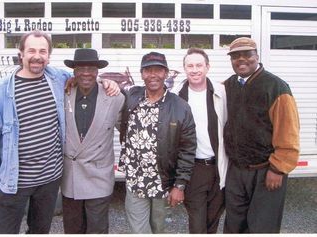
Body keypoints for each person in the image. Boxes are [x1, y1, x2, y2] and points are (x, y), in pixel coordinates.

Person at [0, 30, 119, 234]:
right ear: (21, 53)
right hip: (15, 179)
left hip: (49, 179)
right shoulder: (1, 91)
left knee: (40, 230)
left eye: (42, 51)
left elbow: (85, 76)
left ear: (48, 55)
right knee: (6, 230)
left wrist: (106, 82)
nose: (37, 56)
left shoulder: (56, 79)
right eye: (32, 50)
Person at [223, 37, 300, 233]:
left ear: (256, 56)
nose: (241, 60)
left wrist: (278, 168)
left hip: (266, 171)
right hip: (237, 170)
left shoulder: (276, 87)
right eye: (235, 56)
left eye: (247, 54)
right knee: (234, 225)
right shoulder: (229, 85)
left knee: (262, 227)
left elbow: (288, 132)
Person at [118, 51, 197, 234]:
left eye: (158, 70)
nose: (153, 75)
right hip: (135, 181)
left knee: (158, 229)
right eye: (148, 70)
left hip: (163, 182)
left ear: (166, 73)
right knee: (140, 231)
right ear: (141, 74)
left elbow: (187, 149)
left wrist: (180, 185)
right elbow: (110, 94)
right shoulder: (132, 97)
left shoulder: (180, 106)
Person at [61, 49, 124, 234]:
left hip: (99, 177)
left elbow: (127, 130)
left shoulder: (115, 97)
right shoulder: (62, 92)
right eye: (80, 68)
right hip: (70, 177)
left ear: (98, 71)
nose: (86, 72)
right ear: (74, 71)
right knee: (72, 230)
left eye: (91, 68)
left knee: (97, 230)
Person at [172, 48, 228, 233]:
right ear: (184, 68)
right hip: (193, 170)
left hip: (219, 167)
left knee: (213, 220)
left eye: (199, 65)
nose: (194, 70)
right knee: (197, 223)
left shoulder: (221, 93)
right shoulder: (176, 96)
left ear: (207, 67)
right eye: (190, 65)